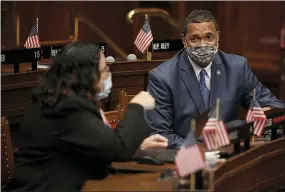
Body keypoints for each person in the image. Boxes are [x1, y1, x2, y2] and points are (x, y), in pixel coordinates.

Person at [6, 42, 167, 192]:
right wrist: (137, 106)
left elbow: (99, 146)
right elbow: (118, 148)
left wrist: (137, 148)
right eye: (104, 70)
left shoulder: (64, 99)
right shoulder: (65, 107)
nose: (108, 75)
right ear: (86, 75)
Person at [145, 10, 285, 149]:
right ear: (184, 40)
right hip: (187, 158)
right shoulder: (162, 77)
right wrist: (205, 149)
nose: (203, 45)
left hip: (232, 154)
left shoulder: (237, 68)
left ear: (218, 37)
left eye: (209, 37)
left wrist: (265, 112)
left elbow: (276, 107)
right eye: (195, 39)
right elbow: (161, 136)